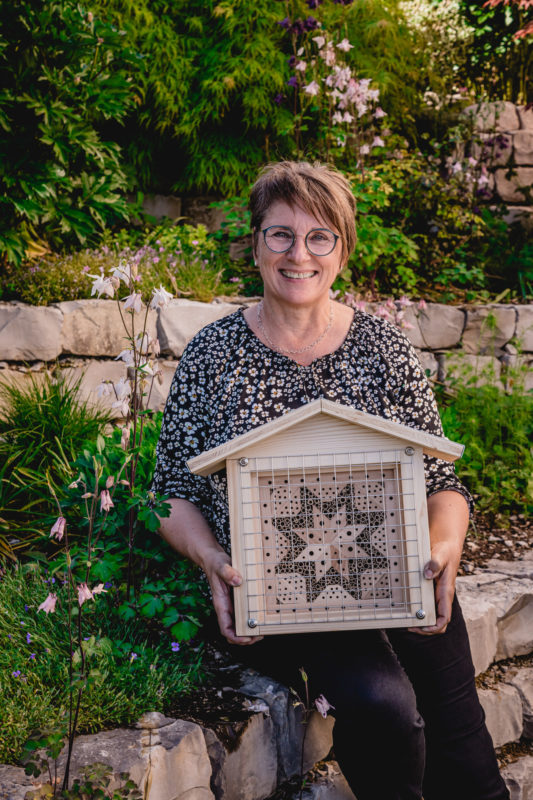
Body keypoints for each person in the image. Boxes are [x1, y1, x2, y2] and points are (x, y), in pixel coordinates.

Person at [152, 161, 509, 800]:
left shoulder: (383, 349)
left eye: (320, 237)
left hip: (394, 572)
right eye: (281, 234)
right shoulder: (214, 356)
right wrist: (210, 559)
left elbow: (441, 481)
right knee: (384, 707)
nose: (299, 254)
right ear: (256, 244)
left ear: (342, 252)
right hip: (284, 599)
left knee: (460, 732)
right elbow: (170, 494)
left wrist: (444, 548)